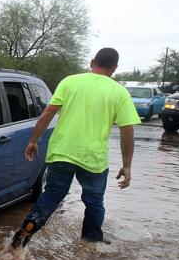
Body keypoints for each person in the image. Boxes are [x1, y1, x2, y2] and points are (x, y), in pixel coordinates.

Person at [11, 47, 141, 248]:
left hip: (61, 153)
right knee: (94, 202)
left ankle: (28, 228)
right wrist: (127, 165)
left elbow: (48, 113)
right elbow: (127, 131)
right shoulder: (119, 92)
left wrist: (32, 141)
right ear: (114, 68)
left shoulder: (69, 81)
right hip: (93, 159)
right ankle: (89, 244)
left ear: (92, 62)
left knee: (52, 195)